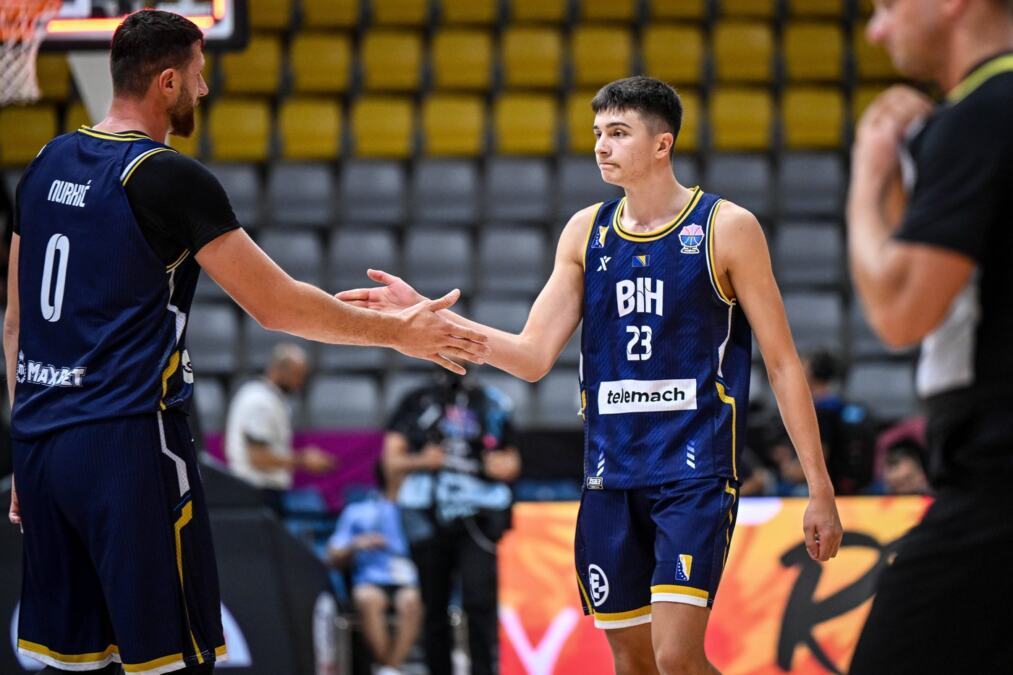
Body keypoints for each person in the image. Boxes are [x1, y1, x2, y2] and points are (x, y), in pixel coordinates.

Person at [4, 10, 487, 674]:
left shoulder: (43, 162)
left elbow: (15, 323)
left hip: (42, 445)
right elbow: (276, 305)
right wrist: (398, 332)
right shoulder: (166, 176)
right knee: (167, 661)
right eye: (198, 75)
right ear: (168, 82)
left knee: (71, 662)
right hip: (128, 444)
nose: (203, 90)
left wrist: (27, 444)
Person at [341, 76, 843, 675]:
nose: (602, 146)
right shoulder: (586, 231)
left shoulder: (727, 228)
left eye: (619, 133)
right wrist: (426, 317)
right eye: (598, 132)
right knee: (633, 661)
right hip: (610, 475)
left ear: (663, 143)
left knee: (677, 657)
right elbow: (530, 355)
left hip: (694, 471)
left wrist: (819, 487)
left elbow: (783, 364)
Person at [846, 0, 1013, 670]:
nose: (876, 31)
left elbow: (900, 311)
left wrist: (868, 175)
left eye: (888, 6)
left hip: (995, 485)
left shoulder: (980, 114)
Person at [382, 370, 521, 675]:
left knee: (480, 601)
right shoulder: (416, 401)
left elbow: (512, 461)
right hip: (426, 515)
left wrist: (501, 466)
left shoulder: (492, 402)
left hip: (478, 516)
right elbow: (390, 461)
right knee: (434, 606)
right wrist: (423, 460)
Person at [327, 462, 421, 675]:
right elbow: (332, 556)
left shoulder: (416, 513)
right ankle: (391, 669)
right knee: (368, 599)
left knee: (412, 601)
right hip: (370, 580)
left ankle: (388, 669)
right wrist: (357, 544)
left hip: (407, 582)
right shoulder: (358, 511)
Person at [224, 343, 334, 513]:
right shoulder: (261, 402)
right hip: (256, 493)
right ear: (279, 369)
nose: (299, 383)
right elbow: (258, 458)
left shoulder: (264, 396)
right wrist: (304, 460)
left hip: (257, 491)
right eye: (297, 375)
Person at [802, 349, 876, 495]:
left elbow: (818, 461)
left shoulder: (822, 410)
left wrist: (788, 470)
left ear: (811, 373)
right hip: (858, 486)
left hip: (834, 489)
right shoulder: (842, 405)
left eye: (802, 365)